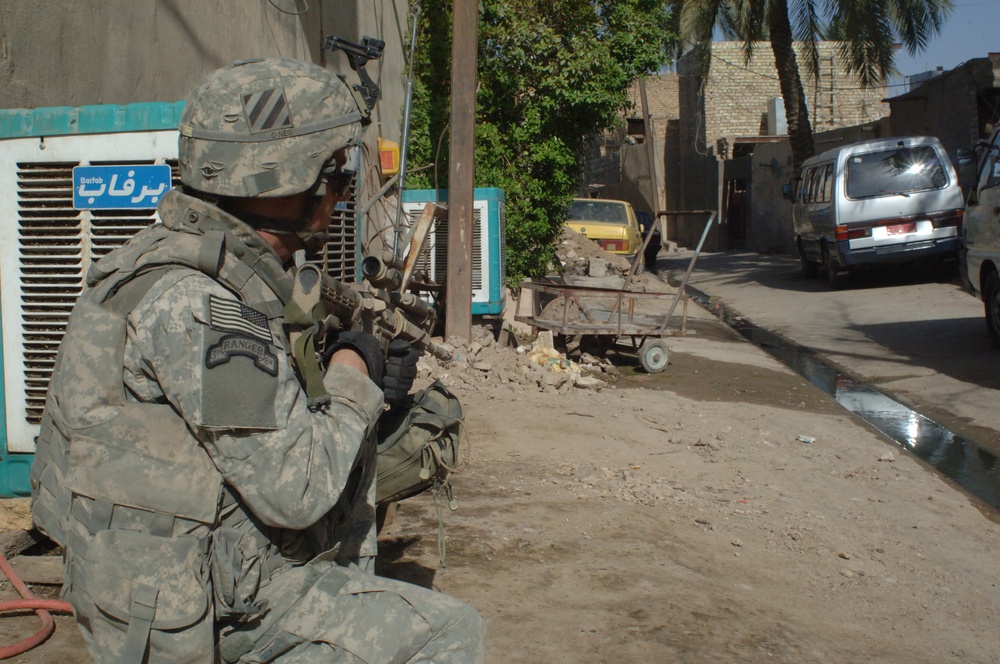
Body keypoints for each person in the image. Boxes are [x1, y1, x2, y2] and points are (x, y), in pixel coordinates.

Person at [30, 57, 485, 663]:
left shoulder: (183, 260)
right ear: (286, 180)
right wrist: (354, 374)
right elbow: (297, 489)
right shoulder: (200, 306)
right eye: (335, 177)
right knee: (449, 632)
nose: (342, 194)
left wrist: (371, 390)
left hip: (168, 573)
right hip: (205, 606)